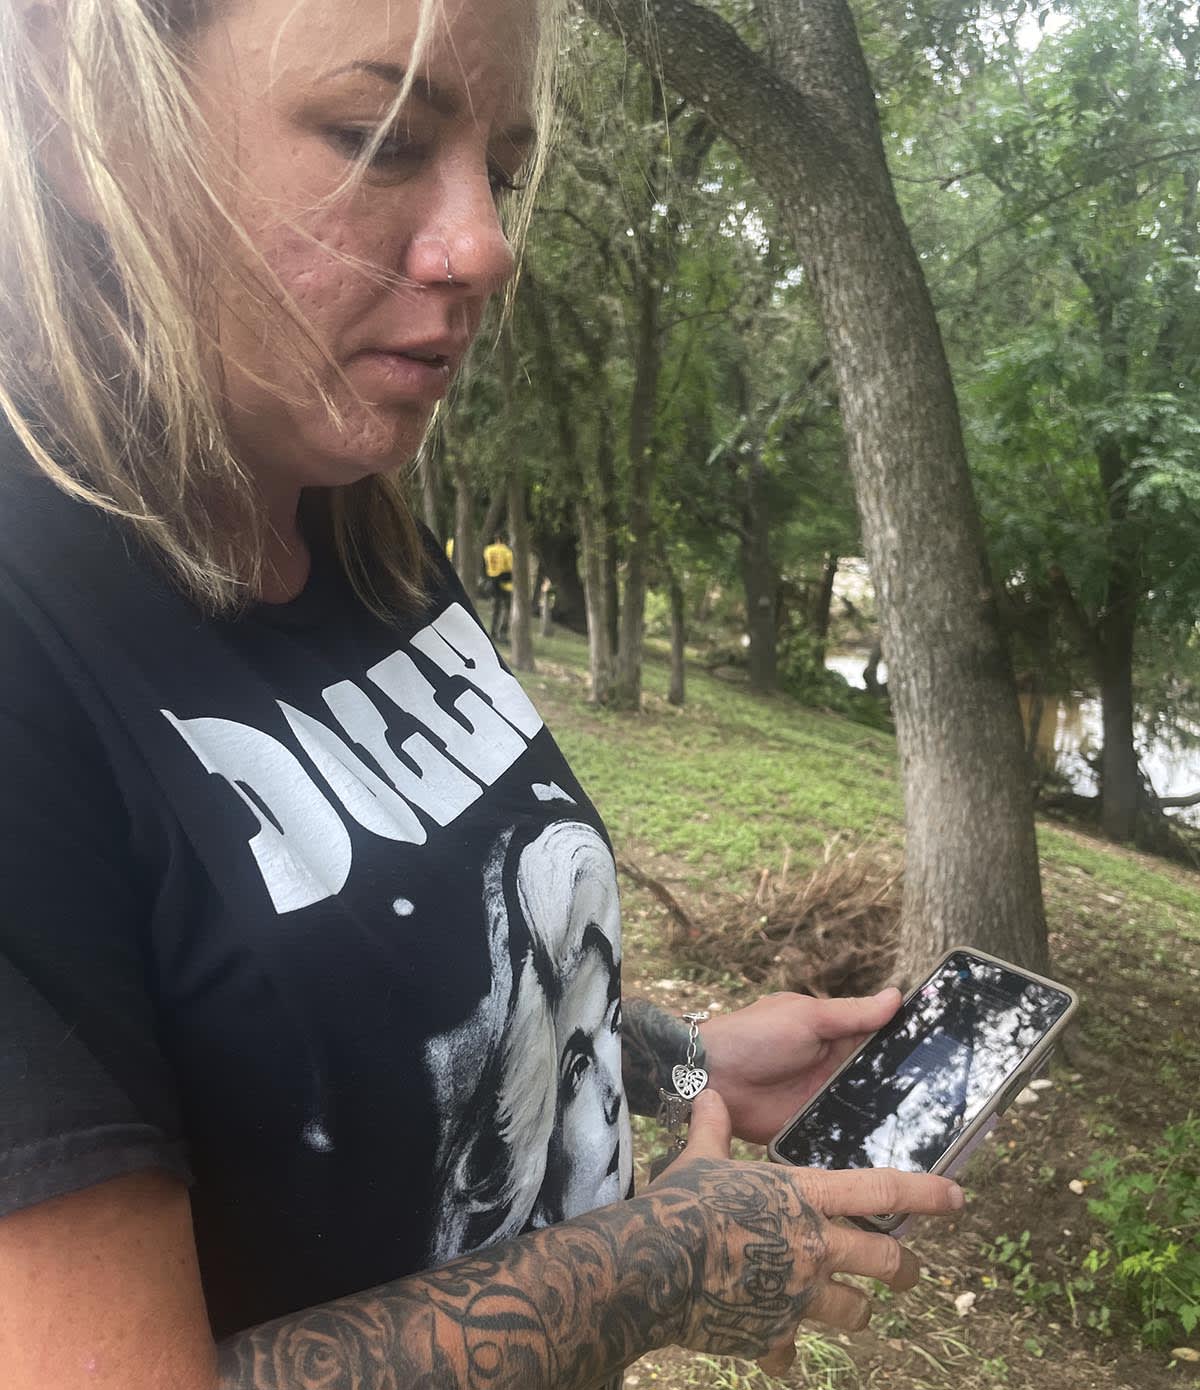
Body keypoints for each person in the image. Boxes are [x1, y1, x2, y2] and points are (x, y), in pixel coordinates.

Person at [0, 2, 965, 1387]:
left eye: (500, 170)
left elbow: (320, 1027)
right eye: (377, 137)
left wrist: (676, 1057)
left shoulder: (347, 515)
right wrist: (662, 1261)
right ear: (75, 109)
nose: (488, 246)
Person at [483, 531, 515, 639]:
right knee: (506, 609)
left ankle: (492, 631)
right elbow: (511, 569)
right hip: (506, 584)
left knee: (495, 609)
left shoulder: (488, 550)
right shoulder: (507, 552)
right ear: (505, 539)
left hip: (492, 582)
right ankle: (502, 633)